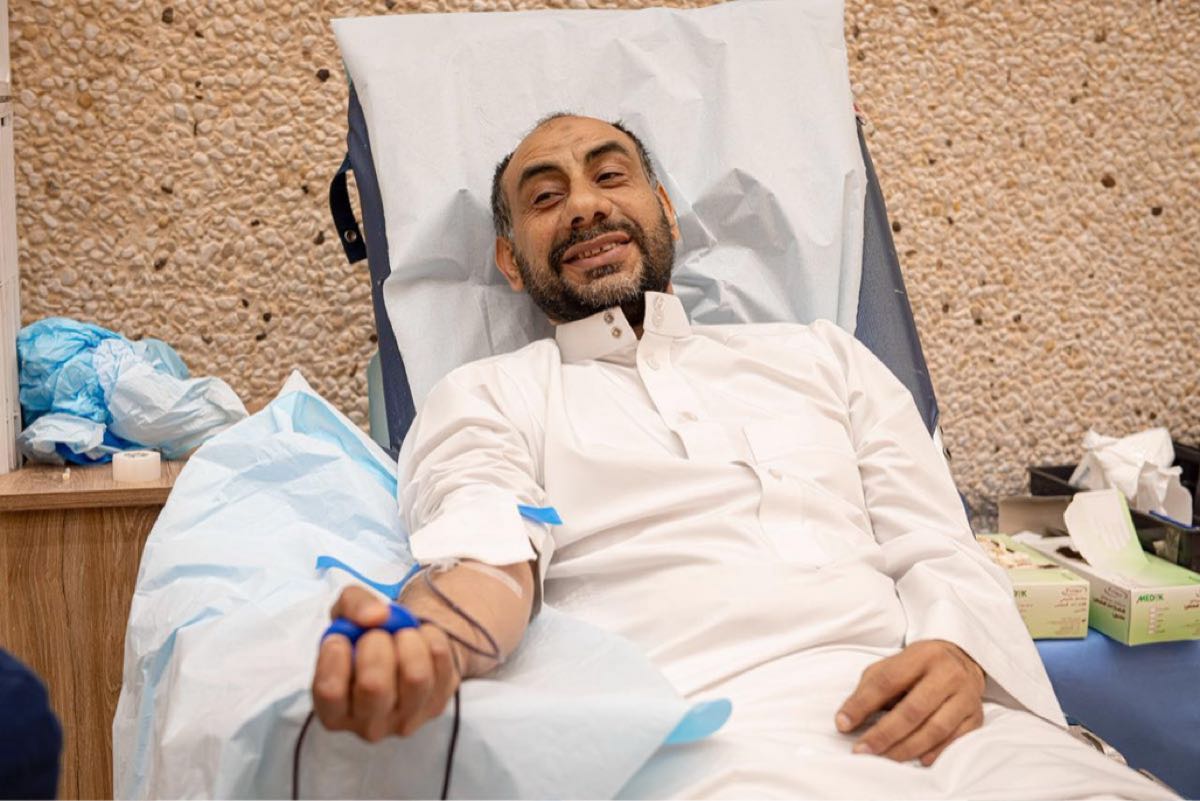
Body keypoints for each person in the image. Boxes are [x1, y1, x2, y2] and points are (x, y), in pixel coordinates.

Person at [311, 114, 1172, 798]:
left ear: (665, 212)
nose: (584, 206)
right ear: (510, 260)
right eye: (545, 197)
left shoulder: (823, 357)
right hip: (703, 739)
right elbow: (486, 551)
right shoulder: (489, 393)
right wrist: (432, 640)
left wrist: (959, 652)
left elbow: (936, 540)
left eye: (610, 176)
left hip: (946, 723)